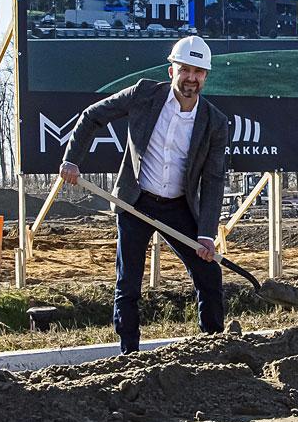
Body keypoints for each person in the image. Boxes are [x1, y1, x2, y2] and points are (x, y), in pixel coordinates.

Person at [59, 35, 228, 353]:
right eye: (185, 69)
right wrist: (72, 159)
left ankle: (215, 346)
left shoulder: (214, 123)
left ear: (206, 75)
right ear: (171, 71)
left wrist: (206, 234)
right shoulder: (143, 94)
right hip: (135, 201)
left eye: (198, 71)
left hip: (178, 207)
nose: (191, 78)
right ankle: (129, 353)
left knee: (208, 273)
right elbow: (92, 116)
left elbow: (214, 180)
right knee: (128, 282)